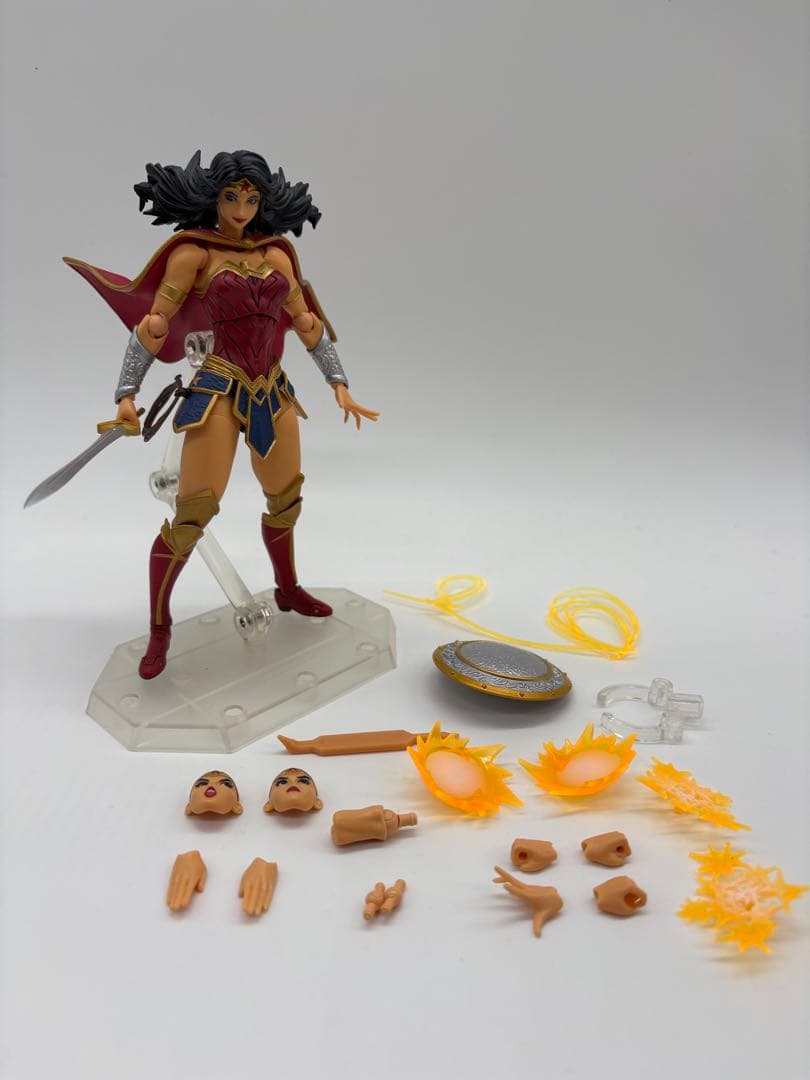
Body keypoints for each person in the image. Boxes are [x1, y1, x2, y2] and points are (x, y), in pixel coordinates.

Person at [65, 150, 378, 679]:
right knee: (192, 515)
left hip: (272, 390)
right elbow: (155, 325)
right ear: (213, 198)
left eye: (251, 199)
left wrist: (339, 384)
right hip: (217, 390)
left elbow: (306, 323)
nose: (241, 208)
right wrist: (126, 393)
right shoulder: (193, 254)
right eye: (231, 196)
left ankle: (286, 588)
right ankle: (160, 627)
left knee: (286, 499)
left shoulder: (277, 255)